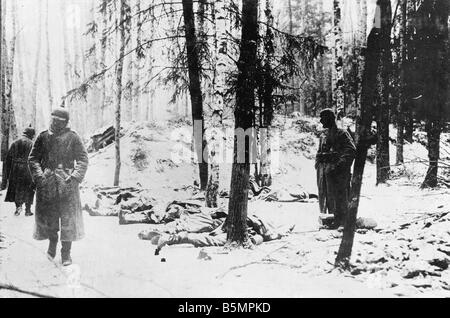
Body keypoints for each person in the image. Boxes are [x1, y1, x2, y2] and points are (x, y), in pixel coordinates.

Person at [28, 108, 88, 266]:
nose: (56, 124)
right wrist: (40, 176)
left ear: (66, 122)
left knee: (68, 219)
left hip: (67, 184)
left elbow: (83, 159)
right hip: (47, 184)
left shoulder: (73, 137)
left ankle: (66, 253)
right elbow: (33, 158)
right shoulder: (42, 137)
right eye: (54, 120)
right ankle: (52, 244)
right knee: (50, 218)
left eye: (60, 121)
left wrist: (74, 177)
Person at [315, 108, 356, 229]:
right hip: (325, 172)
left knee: (340, 196)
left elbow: (351, 150)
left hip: (338, 173)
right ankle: (333, 219)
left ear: (330, 118)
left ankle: (342, 221)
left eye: (323, 118)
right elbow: (319, 152)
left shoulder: (342, 133)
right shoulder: (323, 135)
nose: (321, 121)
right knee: (327, 196)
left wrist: (338, 166)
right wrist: (319, 163)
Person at [4, 127, 36, 216]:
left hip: (16, 169)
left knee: (17, 188)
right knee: (29, 188)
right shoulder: (32, 144)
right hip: (27, 168)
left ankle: (18, 207)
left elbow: (8, 158)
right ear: (31, 135)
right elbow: (35, 158)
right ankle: (28, 210)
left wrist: (8, 172)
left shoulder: (15, 142)